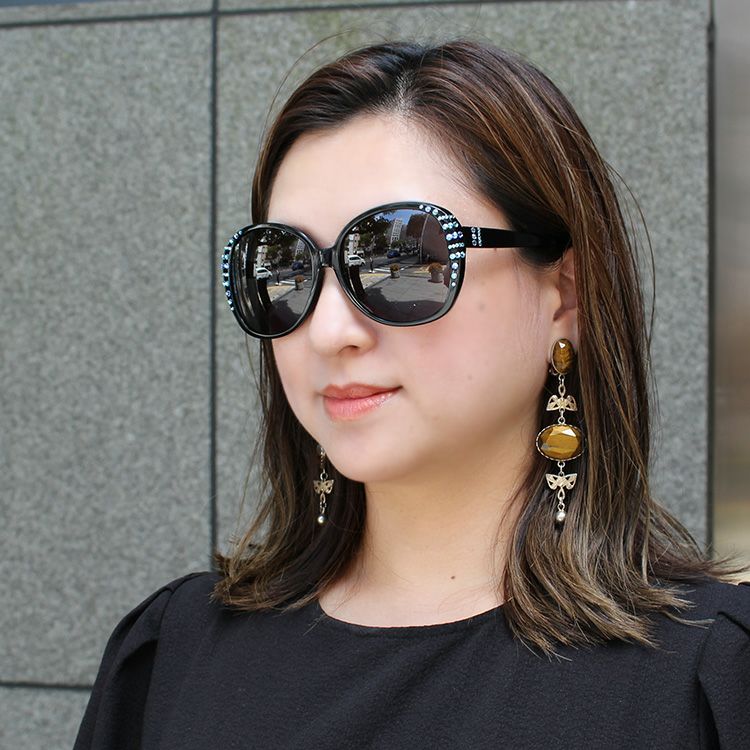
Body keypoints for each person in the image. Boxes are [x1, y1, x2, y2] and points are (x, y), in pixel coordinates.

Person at [74, 40, 749, 749]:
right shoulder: (176, 656)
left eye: (401, 260)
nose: (328, 330)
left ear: (565, 294)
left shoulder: (708, 682)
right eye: (287, 270)